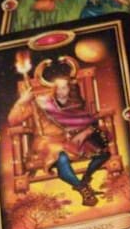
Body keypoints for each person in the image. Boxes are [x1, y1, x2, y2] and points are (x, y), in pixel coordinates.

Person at [8, 72, 109, 206]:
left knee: (103, 154)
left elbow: (87, 121)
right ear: (54, 89)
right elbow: (13, 120)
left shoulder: (74, 104)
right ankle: (82, 189)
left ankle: (86, 179)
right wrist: (22, 101)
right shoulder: (41, 103)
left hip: (67, 140)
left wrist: (86, 132)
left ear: (70, 89)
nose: (61, 91)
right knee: (61, 157)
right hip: (45, 142)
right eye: (58, 88)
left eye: (64, 88)